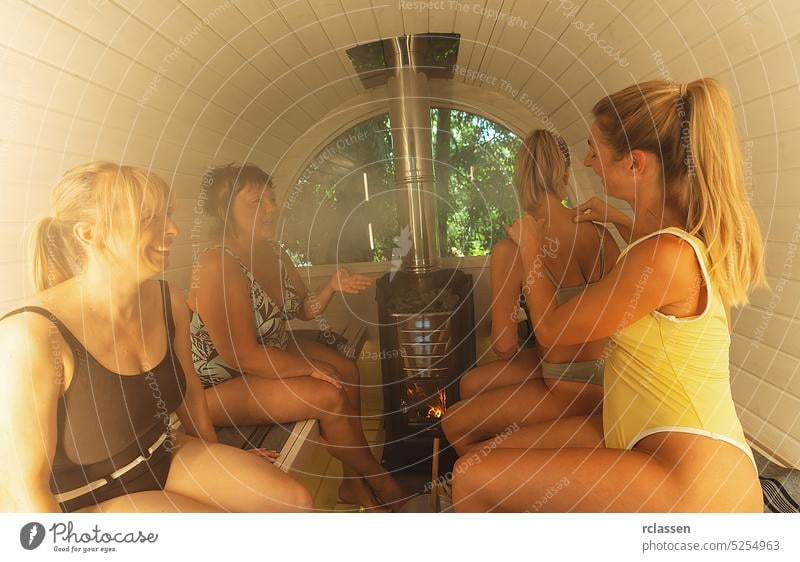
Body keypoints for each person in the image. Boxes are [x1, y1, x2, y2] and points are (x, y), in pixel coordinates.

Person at [452, 78, 767, 512]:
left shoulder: (667, 255)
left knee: (472, 479)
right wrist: (617, 216)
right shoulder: (666, 242)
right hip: (636, 427)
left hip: (695, 479)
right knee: (480, 462)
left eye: (594, 152)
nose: (587, 162)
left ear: (635, 164)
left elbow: (554, 337)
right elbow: (626, 293)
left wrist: (530, 250)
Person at [0, 162, 312, 512]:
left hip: (161, 452)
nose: (173, 229)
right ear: (89, 234)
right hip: (87, 495)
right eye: (149, 218)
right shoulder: (31, 335)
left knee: (294, 502)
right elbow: (22, 489)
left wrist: (217, 455)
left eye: (168, 214)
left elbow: (191, 394)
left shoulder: (168, 300)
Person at [188, 164, 406, 511]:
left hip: (267, 352)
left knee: (347, 370)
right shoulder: (216, 264)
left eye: (272, 199)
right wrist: (307, 369)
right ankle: (382, 482)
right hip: (221, 385)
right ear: (223, 210)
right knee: (329, 394)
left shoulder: (274, 252)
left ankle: (352, 484)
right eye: (257, 201)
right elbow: (241, 355)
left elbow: (304, 308)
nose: (271, 208)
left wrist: (332, 285)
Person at [442, 130, 619, 455]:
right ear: (564, 176)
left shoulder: (512, 249)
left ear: (519, 181)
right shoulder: (601, 234)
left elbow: (504, 345)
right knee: (470, 384)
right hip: (611, 377)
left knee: (453, 422)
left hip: (568, 388)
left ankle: (495, 482)